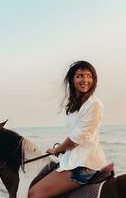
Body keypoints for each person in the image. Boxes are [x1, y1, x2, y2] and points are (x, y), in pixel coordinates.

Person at [28, 61, 107, 198]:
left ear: (94, 80)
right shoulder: (77, 104)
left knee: (35, 193)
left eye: (89, 76)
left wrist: (57, 149)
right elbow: (74, 135)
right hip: (74, 159)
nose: (85, 80)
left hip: (84, 165)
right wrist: (63, 148)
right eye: (80, 76)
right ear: (72, 80)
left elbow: (76, 138)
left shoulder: (94, 104)